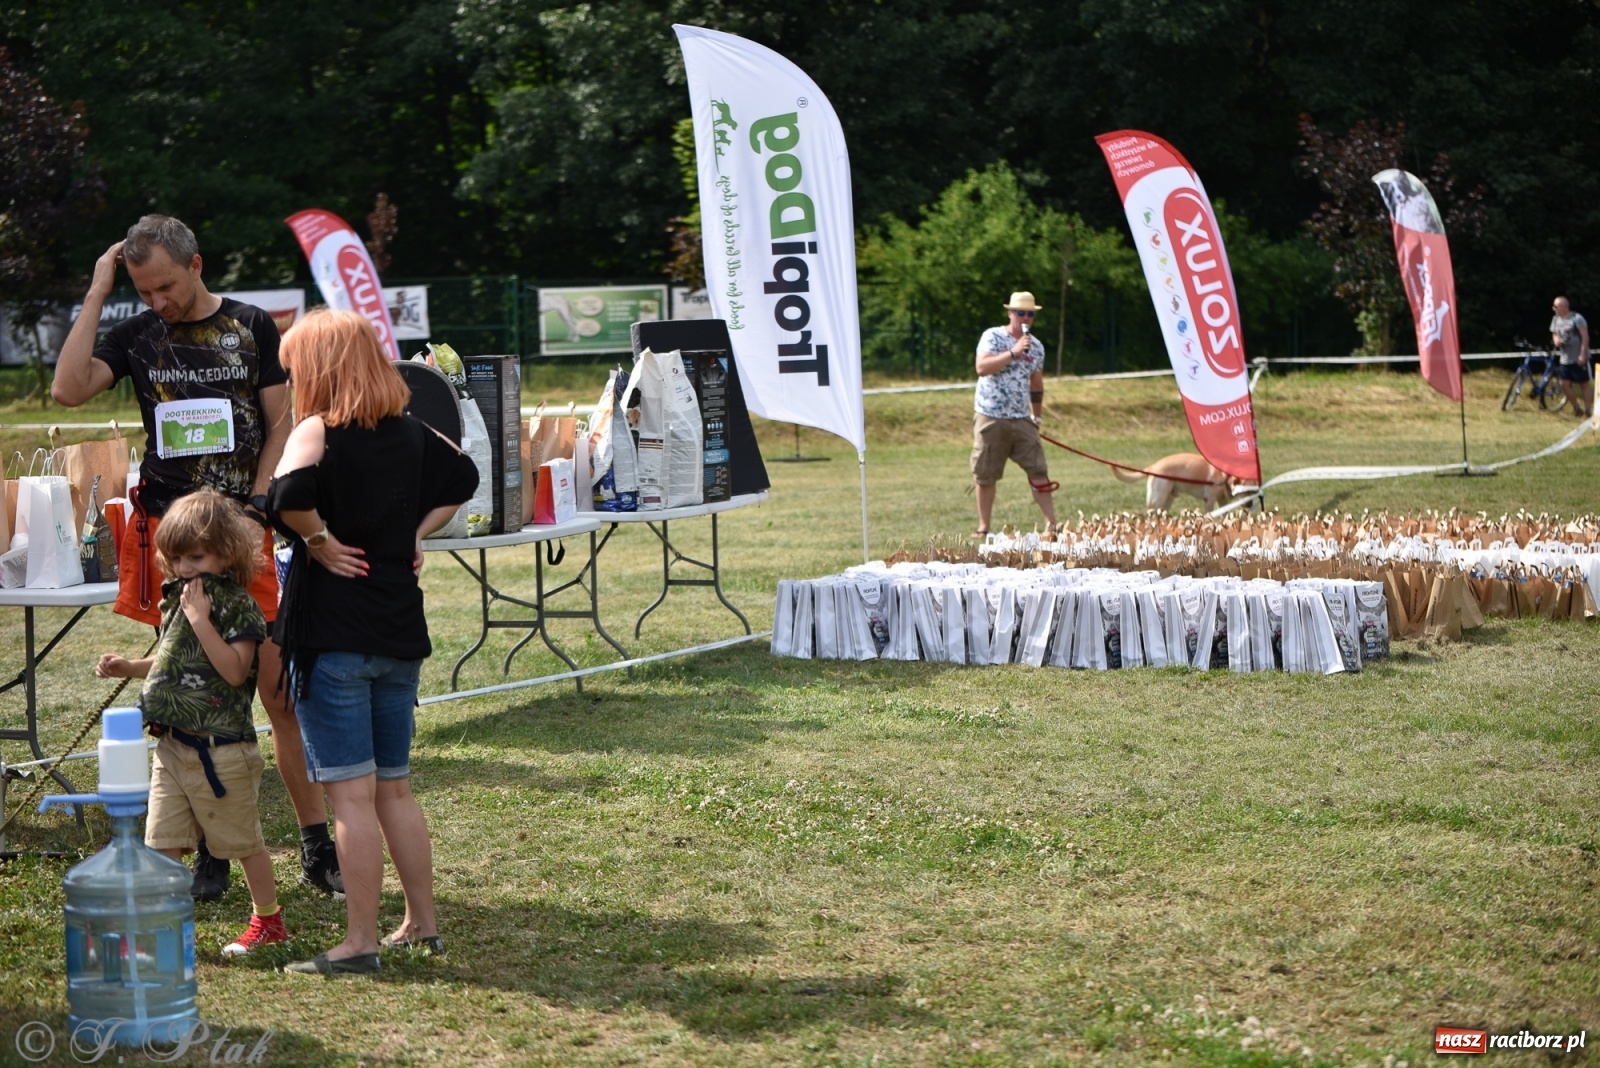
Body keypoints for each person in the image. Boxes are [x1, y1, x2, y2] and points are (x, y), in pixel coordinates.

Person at [52, 214, 342, 902]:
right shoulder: (136, 334)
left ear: (196, 265)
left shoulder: (251, 326)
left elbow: (280, 424)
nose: (159, 302)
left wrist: (260, 502)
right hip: (174, 539)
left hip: (245, 534)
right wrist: (97, 292)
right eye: (144, 292)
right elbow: (68, 389)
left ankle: (316, 844)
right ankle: (211, 850)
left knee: (276, 695)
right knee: (190, 694)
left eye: (167, 287)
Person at [267, 309, 477, 975]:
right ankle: (421, 923)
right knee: (395, 790)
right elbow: (465, 477)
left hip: (333, 637)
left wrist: (317, 538)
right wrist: (416, 532)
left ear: (319, 370)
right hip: (397, 632)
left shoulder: (316, 430)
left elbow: (283, 494)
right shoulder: (410, 431)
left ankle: (359, 943)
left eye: (296, 369)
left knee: (351, 799)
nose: (292, 381)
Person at [95, 491, 287, 956]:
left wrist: (201, 619)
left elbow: (235, 670)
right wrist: (131, 667)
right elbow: (174, 658)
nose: (185, 568)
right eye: (177, 558)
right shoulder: (179, 599)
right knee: (162, 841)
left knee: (243, 841)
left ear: (226, 553)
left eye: (196, 557)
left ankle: (268, 921)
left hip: (223, 752)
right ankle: (159, 929)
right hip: (173, 747)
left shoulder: (237, 605)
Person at [972, 291, 1058, 537]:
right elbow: (982, 368)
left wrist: (1036, 417)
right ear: (1010, 313)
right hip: (991, 415)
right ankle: (983, 528)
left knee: (1038, 469)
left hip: (1021, 418)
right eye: (1021, 313)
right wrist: (1014, 352)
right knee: (986, 473)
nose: (1026, 318)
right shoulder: (993, 336)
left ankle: (1052, 525)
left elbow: (1036, 385)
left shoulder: (1036, 347)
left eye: (1030, 314)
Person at [1550, 296, 1592, 418]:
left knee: (1583, 383)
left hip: (1578, 357)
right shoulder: (1555, 319)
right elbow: (1554, 333)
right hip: (1565, 358)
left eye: (1556, 306)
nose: (1554, 309)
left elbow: (1585, 337)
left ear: (1564, 307)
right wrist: (1556, 340)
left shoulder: (1577, 318)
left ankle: (1588, 410)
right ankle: (1576, 408)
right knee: (1563, 383)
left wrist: (1582, 355)